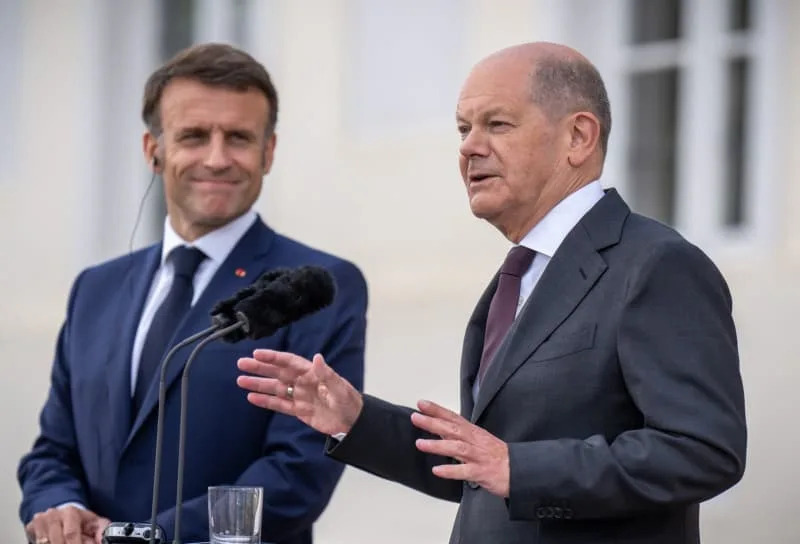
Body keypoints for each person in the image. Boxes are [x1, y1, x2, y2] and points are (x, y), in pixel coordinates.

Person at [236, 42, 747, 544]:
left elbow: (701, 450)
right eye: (463, 129)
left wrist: (518, 468)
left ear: (578, 137)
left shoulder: (657, 264)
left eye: (497, 125)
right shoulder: (522, 274)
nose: (468, 147)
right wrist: (357, 420)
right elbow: (481, 466)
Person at [18, 43, 368, 544]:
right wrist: (59, 506)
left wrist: (139, 536)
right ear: (153, 150)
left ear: (268, 152)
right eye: (194, 136)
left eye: (240, 138)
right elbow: (53, 449)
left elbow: (298, 473)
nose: (217, 157)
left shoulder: (316, 287)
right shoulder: (94, 289)